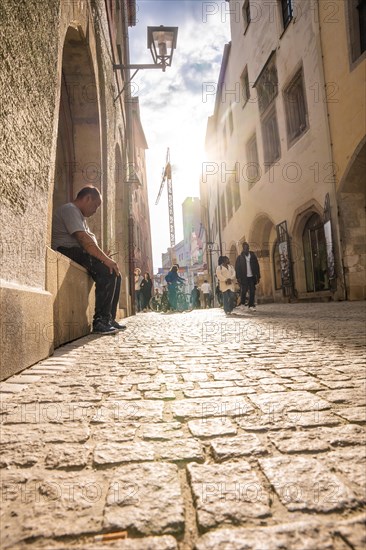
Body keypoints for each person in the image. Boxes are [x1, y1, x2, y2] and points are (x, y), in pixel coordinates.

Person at [52, 186, 125, 335]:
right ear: (87, 198)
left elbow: (88, 242)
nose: (96, 210)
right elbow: (83, 239)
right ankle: (100, 322)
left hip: (77, 251)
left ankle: (108, 319)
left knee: (115, 272)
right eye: (96, 205)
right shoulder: (70, 209)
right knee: (107, 270)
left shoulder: (79, 216)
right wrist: (104, 259)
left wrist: (104, 256)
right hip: (65, 249)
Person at [235, 242, 260, 312]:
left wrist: (258, 275)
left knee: (252, 291)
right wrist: (238, 278)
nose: (246, 249)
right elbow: (237, 268)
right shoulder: (240, 258)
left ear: (248, 248)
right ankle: (242, 304)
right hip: (244, 277)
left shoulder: (252, 256)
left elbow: (257, 266)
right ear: (243, 249)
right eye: (245, 248)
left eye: (247, 248)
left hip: (251, 276)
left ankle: (251, 305)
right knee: (244, 291)